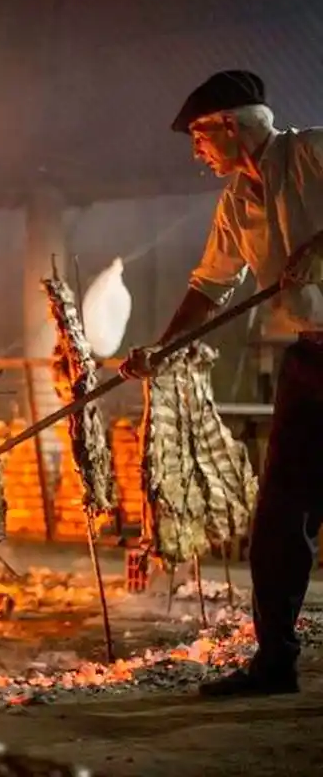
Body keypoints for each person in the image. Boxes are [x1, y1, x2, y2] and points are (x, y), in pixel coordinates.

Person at [120, 69, 323, 698]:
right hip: (312, 360)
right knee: (279, 517)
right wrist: (163, 345)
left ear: (228, 125)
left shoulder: (315, 149)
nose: (197, 152)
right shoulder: (237, 201)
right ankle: (274, 663)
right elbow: (209, 285)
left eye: (200, 139)